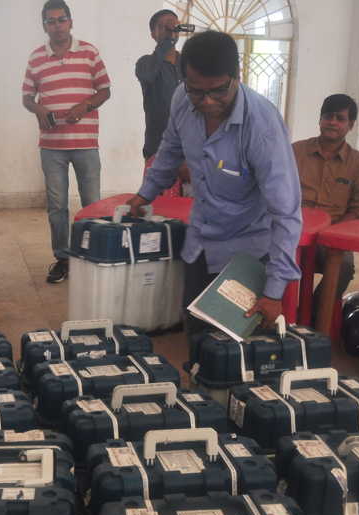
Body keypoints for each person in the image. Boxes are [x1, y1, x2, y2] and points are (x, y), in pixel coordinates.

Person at [127, 30, 302, 333]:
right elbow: (170, 148)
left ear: (237, 76)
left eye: (218, 91)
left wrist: (274, 290)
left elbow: (286, 213)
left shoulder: (262, 127)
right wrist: (146, 193)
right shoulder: (183, 99)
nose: (207, 101)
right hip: (199, 244)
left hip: (245, 255)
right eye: (197, 91)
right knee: (197, 339)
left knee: (233, 353)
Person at [22, 0, 111, 284]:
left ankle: (92, 257)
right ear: (44, 26)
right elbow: (26, 97)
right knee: (57, 207)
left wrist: (84, 107)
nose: (56, 26)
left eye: (61, 20)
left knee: (91, 204)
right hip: (51, 146)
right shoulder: (36, 58)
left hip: (86, 142)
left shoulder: (89, 52)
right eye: (50, 21)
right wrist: (39, 109)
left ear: (70, 22)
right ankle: (63, 258)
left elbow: (105, 90)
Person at [292, 94, 359, 318]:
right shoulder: (294, 152)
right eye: (328, 116)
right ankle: (276, 316)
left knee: (344, 268)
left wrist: (330, 233)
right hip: (291, 231)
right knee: (261, 257)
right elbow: (275, 191)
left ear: (351, 125)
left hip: (331, 238)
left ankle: (310, 318)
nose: (333, 122)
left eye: (340, 118)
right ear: (320, 120)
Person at [136, 9, 183, 161]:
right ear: (153, 34)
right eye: (164, 26)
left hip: (187, 146)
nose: (170, 29)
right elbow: (148, 76)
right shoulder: (145, 63)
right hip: (157, 146)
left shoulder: (188, 63)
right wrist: (167, 42)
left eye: (173, 25)